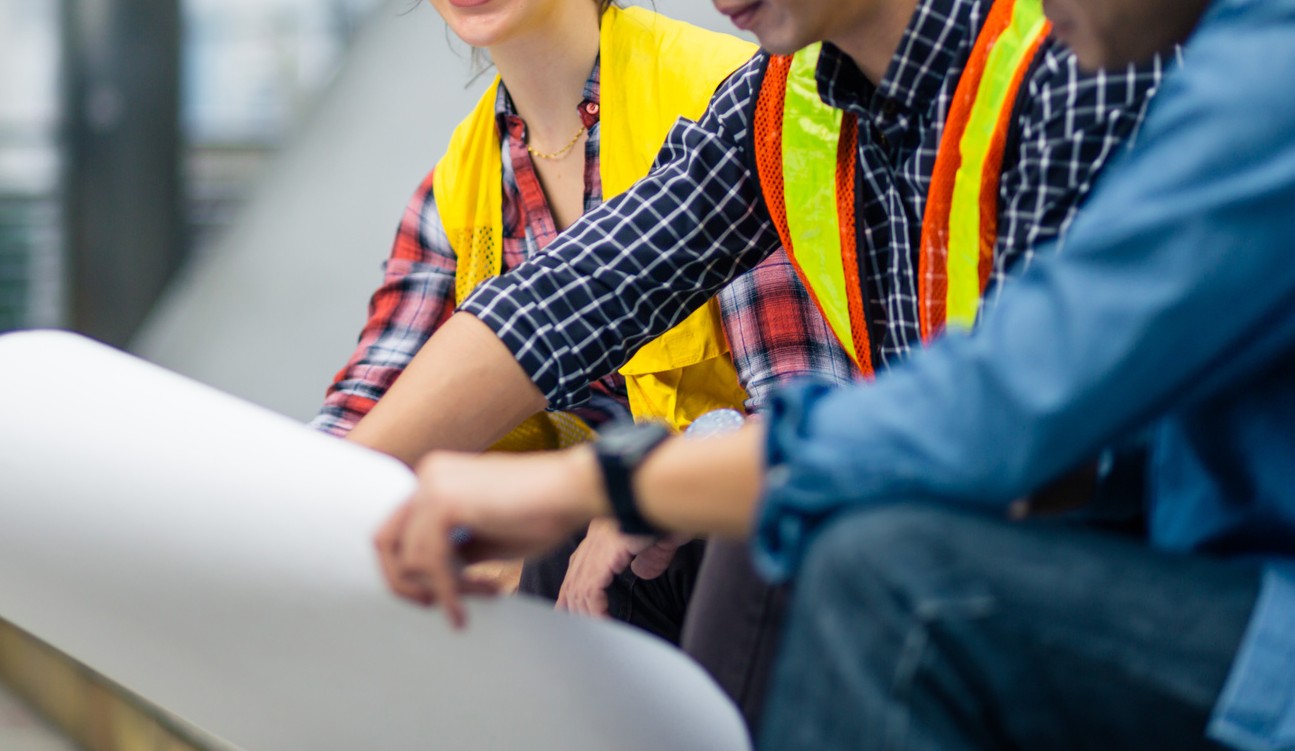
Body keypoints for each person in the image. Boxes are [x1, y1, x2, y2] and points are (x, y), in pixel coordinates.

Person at [374, 0, 1295, 747]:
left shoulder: (1108, 67)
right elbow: (580, 290)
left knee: (875, 568)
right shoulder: (789, 98)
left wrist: (626, 478)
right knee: (603, 545)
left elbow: (1005, 435)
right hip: (1114, 551)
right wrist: (327, 482)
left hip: (1141, 565)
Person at [312, 0, 755, 627]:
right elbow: (362, 417)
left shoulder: (724, 96)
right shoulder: (459, 185)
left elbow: (801, 396)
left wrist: (637, 487)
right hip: (575, 597)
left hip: (724, 553)